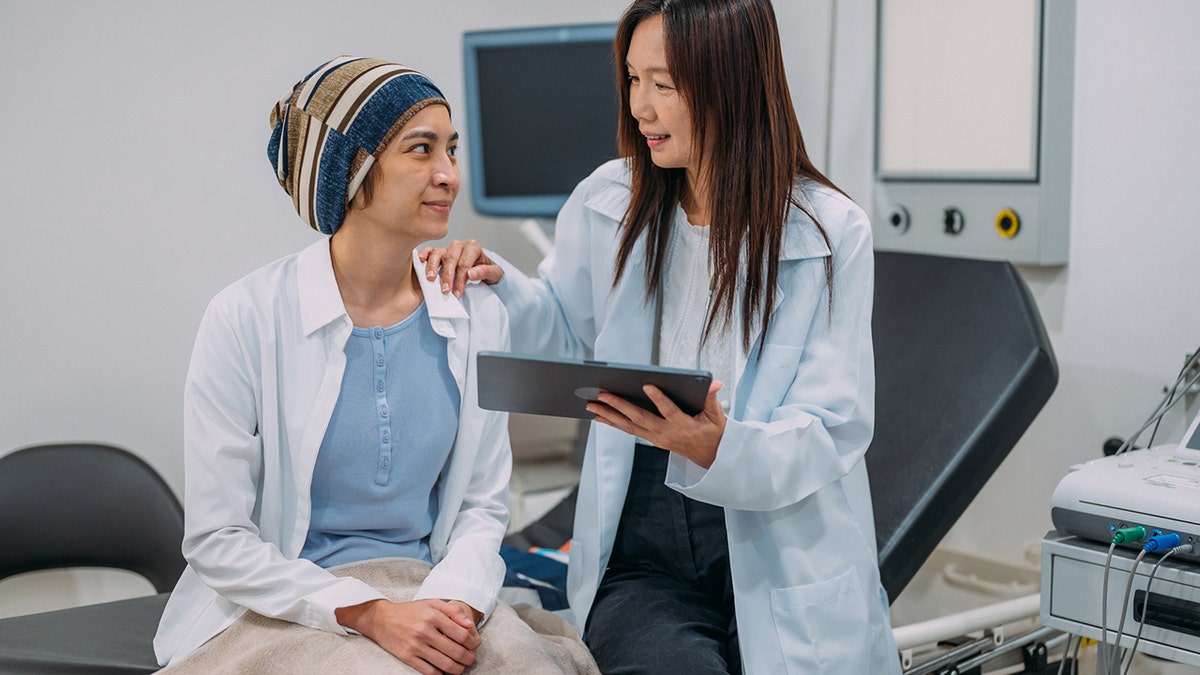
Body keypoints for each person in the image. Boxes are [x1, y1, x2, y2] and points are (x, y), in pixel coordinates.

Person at [420, 0, 903, 672]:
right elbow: (563, 328)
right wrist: (497, 282)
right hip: (643, 526)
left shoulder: (826, 233)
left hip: (779, 533)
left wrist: (721, 444)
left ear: (729, 84)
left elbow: (834, 425)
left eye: (663, 85)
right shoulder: (606, 201)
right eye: (631, 79)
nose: (639, 107)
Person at [153, 56, 513, 675]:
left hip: (431, 587)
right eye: (420, 150)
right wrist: (369, 612)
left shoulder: (476, 312)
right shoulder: (245, 316)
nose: (449, 174)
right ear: (350, 168)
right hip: (289, 601)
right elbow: (218, 541)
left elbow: (482, 506)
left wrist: (452, 603)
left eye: (451, 149)